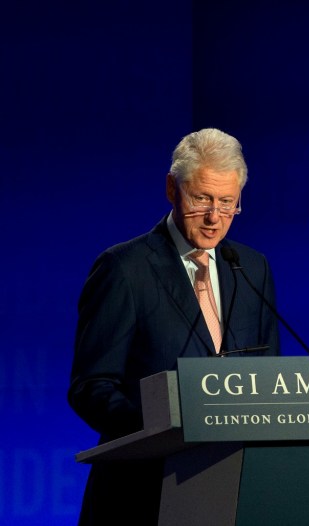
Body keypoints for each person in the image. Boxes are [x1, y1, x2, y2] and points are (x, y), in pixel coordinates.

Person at [68, 128, 280, 525]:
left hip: (238, 492)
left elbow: (269, 378)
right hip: (142, 492)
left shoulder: (252, 268)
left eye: (227, 202)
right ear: (171, 189)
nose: (215, 218)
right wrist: (160, 430)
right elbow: (91, 386)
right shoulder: (124, 269)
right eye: (201, 199)